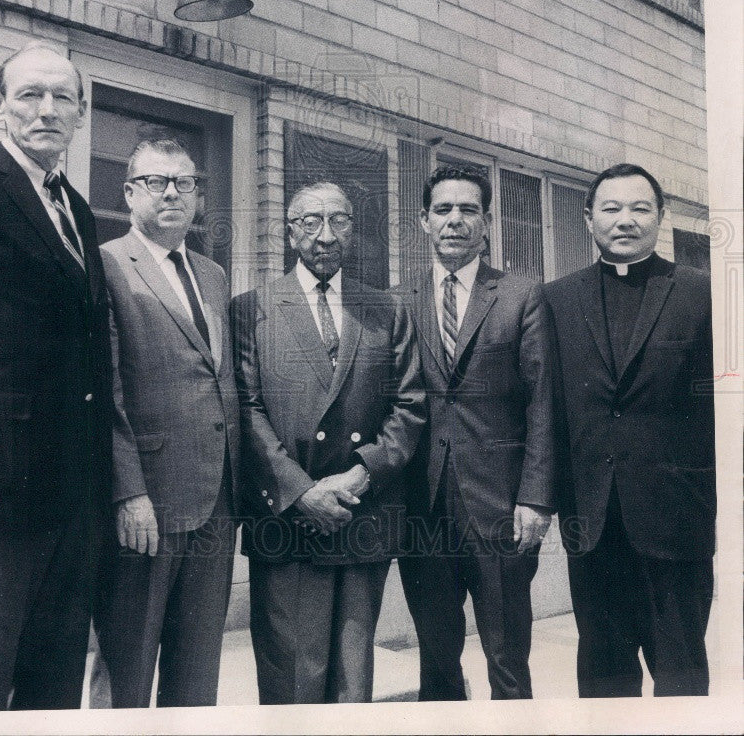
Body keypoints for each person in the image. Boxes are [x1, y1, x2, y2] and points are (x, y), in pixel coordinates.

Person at [0, 40, 113, 710]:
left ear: (79, 113)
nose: (47, 110)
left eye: (62, 98)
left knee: (52, 683)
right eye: (30, 95)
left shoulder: (76, 207)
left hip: (72, 489)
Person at [231, 181, 425, 704]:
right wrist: (302, 491)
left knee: (351, 679)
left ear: (353, 231)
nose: (324, 235)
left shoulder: (385, 308)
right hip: (288, 519)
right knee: (293, 677)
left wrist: (361, 474)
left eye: (338, 221)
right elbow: (244, 410)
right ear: (290, 232)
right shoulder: (251, 309)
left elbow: (410, 406)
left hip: (363, 513)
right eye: (310, 222)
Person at [544, 162, 715, 697]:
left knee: (681, 676)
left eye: (640, 208)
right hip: (592, 525)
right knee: (603, 681)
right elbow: (548, 410)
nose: (625, 220)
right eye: (611, 208)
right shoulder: (557, 299)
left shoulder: (701, 294)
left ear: (661, 216)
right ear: (587, 217)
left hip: (676, 521)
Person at [396, 164, 554, 700]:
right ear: (423, 221)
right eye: (443, 210)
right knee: (437, 663)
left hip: (501, 507)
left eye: (469, 211)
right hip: (423, 504)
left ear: (486, 223)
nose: (455, 221)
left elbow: (542, 403)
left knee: (508, 661)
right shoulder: (399, 300)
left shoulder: (520, 294)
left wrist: (536, 498)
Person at [91, 138, 239, 708]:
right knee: (126, 673)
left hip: (216, 504)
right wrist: (128, 492)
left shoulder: (213, 274)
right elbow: (106, 391)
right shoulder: (105, 265)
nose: (174, 193)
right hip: (147, 505)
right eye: (158, 181)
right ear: (130, 192)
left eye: (186, 182)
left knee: (196, 678)